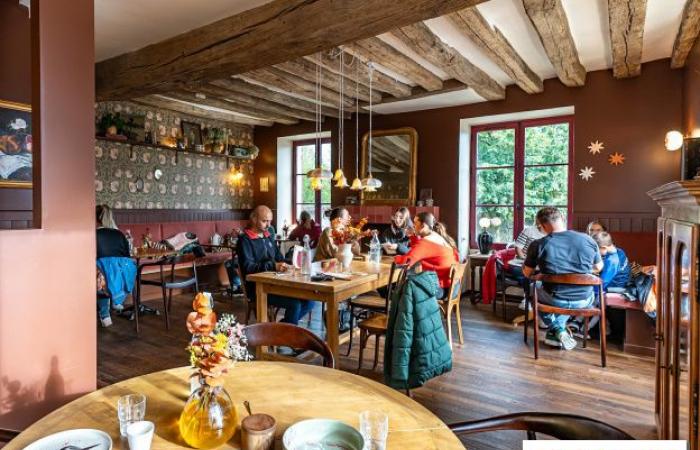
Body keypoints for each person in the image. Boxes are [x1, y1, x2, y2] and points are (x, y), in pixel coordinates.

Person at [523, 207, 603, 351]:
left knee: (532, 288)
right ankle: (557, 334)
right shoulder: (588, 239)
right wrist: (578, 273)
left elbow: (528, 273)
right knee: (553, 295)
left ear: (542, 226)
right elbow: (598, 267)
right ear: (563, 220)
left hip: (555, 299)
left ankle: (558, 330)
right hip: (585, 299)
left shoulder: (539, 244)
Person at [237, 205, 314, 325]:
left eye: (270, 221)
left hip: (276, 282)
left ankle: (280, 329)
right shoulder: (245, 240)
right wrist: (273, 266)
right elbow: (248, 268)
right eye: (264, 221)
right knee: (295, 304)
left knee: (310, 300)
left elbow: (279, 258)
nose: (268, 225)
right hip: (258, 288)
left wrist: (292, 261)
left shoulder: (268, 236)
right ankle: (283, 331)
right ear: (254, 219)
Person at [394, 212, 459, 299]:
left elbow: (406, 261)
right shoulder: (438, 237)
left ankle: (403, 310)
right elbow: (418, 252)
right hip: (453, 287)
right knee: (407, 285)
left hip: (441, 289)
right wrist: (413, 237)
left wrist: (393, 258)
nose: (413, 226)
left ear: (423, 226)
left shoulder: (426, 242)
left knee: (406, 288)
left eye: (415, 223)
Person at [95, 204, 136, 327]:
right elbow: (127, 257)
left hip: (101, 281)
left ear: (95, 219)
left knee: (100, 273)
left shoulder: (94, 235)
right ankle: (115, 301)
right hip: (121, 280)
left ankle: (104, 314)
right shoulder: (119, 234)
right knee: (107, 273)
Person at [510, 221, 545, 310]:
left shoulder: (553, 234)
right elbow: (518, 248)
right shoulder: (529, 231)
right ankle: (527, 299)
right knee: (529, 273)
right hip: (521, 263)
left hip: (540, 267)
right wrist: (526, 261)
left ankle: (539, 304)